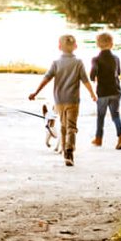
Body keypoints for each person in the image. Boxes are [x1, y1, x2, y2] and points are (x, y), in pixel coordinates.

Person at [27, 33, 95, 166]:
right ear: (75, 46)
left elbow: (46, 79)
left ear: (59, 47)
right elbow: (85, 80)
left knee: (64, 126)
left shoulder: (56, 63)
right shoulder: (78, 63)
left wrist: (35, 92)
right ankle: (69, 151)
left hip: (59, 101)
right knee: (71, 127)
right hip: (73, 101)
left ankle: (65, 151)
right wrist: (92, 93)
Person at [89, 32, 121, 149]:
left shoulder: (96, 59)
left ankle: (98, 139)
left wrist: (95, 77)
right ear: (111, 44)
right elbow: (118, 73)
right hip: (115, 90)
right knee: (116, 115)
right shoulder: (116, 58)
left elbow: (92, 75)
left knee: (101, 116)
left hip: (103, 92)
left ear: (98, 44)